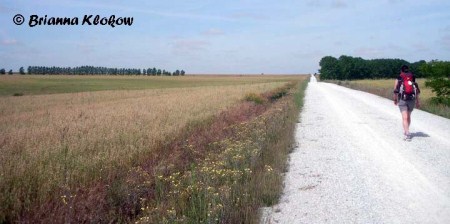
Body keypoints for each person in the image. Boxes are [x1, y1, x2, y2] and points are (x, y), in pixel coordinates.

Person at [393, 65, 420, 141]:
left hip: (402, 99)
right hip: (412, 99)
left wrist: (395, 99)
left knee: (404, 117)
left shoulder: (399, 78)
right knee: (408, 116)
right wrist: (417, 101)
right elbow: (416, 91)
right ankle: (407, 131)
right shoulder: (412, 77)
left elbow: (395, 90)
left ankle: (406, 132)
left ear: (401, 70)